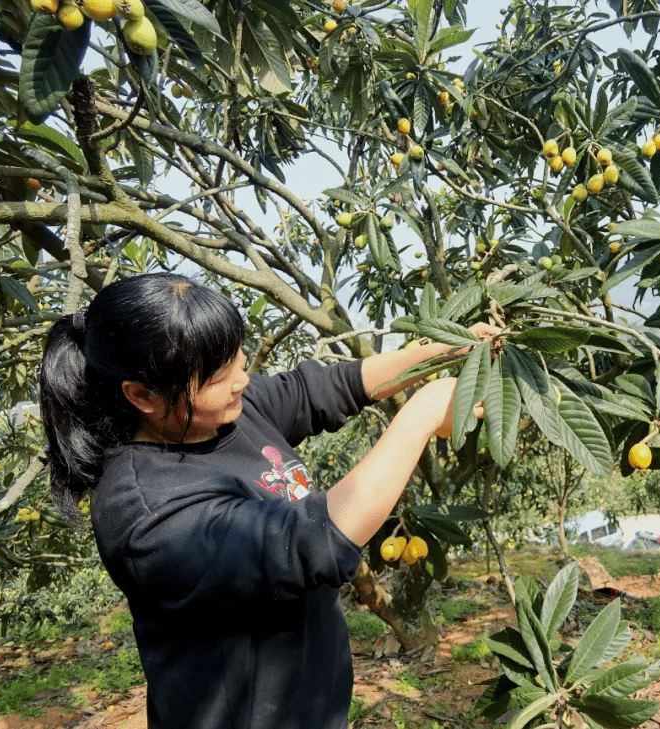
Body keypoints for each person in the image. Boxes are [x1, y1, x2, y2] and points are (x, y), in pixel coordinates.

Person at [39, 272, 494, 729]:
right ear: (142, 396)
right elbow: (315, 541)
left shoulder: (224, 413)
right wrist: (423, 414)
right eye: (220, 375)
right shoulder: (149, 512)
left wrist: (444, 351)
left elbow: (327, 387)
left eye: (238, 360)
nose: (242, 380)